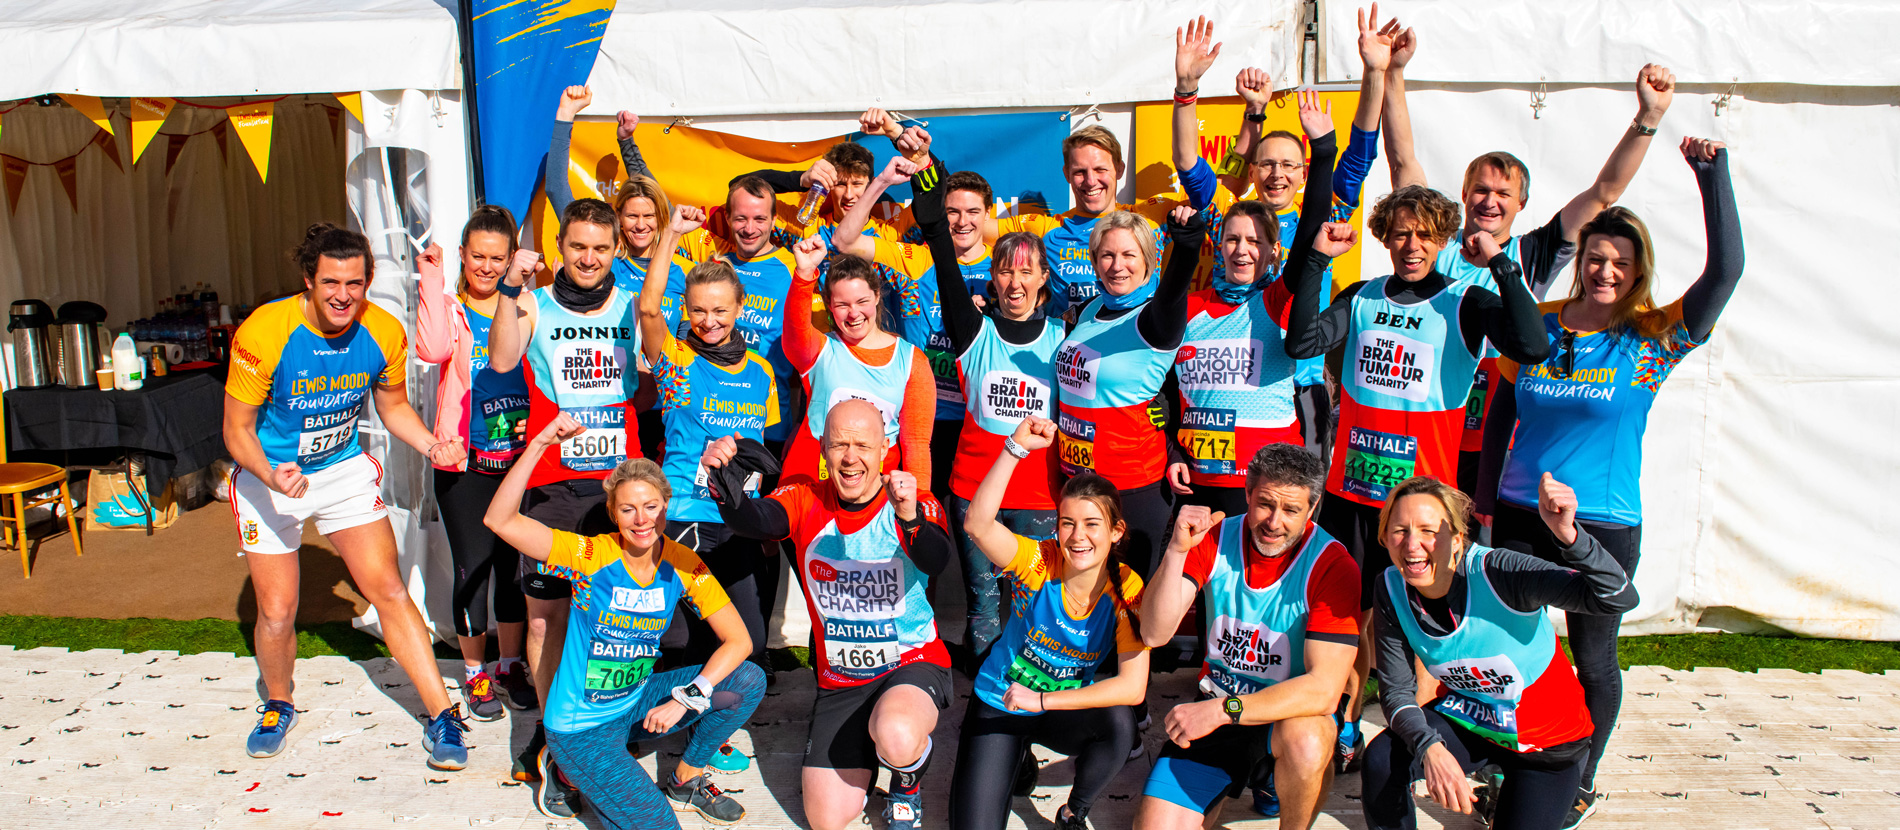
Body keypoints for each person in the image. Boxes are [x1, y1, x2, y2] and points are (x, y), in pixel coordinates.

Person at [1477, 138, 1740, 826]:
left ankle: (1580, 778)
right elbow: (1502, 416)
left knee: (1593, 655)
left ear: (1637, 271)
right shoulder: (1541, 325)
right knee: (1512, 648)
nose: (1604, 270)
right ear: (1580, 260)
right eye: (1595, 257)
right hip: (1517, 511)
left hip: (1604, 523)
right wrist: (1480, 507)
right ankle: (1517, 762)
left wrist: (1712, 178)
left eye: (1621, 262)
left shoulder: (1653, 335)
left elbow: (1726, 272)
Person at [1283, 186, 1550, 771]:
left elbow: (1533, 346)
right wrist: (1316, 261)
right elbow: (1299, 341)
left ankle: (1425, 737)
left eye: (1426, 234)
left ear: (1444, 239)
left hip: (1423, 512)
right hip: (1353, 495)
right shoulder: (1361, 298)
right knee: (1349, 617)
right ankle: (1346, 720)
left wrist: (1502, 263)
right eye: (1401, 232)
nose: (1412, 245)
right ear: (1384, 236)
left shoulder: (1466, 301)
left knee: (1429, 623)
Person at [224, 223, 470, 768]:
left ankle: (442, 717)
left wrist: (433, 446)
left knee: (388, 588)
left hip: (340, 472)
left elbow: (394, 408)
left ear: (368, 281)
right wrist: (269, 475)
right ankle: (279, 702)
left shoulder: (382, 331)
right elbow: (236, 431)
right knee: (277, 610)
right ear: (307, 281)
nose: (343, 295)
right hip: (271, 478)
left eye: (355, 283)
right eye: (331, 282)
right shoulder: (264, 332)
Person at [1384, 47, 1679, 492]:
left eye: (1504, 193)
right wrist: (1393, 73)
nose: (1490, 201)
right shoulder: (1433, 242)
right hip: (1427, 425)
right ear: (1464, 193)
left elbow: (1603, 192)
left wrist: (1649, 117)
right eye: (1481, 189)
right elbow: (1404, 163)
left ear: (1521, 203)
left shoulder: (1533, 253)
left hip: (1491, 434)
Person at [483, 414, 766, 828]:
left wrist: (688, 696)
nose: (641, 520)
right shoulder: (590, 554)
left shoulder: (683, 562)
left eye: (651, 507)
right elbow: (500, 520)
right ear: (613, 514)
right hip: (582, 729)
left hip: (635, 704)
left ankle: (685, 779)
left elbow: (738, 640)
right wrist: (541, 442)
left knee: (747, 679)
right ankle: (563, 769)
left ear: (665, 506)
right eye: (628, 509)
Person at [705, 399, 955, 830]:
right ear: (822, 449)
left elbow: (936, 559)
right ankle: (871, 744)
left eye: (863, 445)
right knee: (827, 819)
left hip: (912, 666)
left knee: (896, 734)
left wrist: (910, 516)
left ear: (885, 449)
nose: (851, 457)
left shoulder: (911, 501)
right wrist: (725, 489)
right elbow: (758, 520)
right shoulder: (804, 496)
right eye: (839, 444)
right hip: (842, 680)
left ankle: (906, 784)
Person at [487, 198, 647, 818]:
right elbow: (502, 359)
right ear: (562, 244)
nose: (588, 258)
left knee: (617, 619)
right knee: (546, 622)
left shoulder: (636, 304)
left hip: (621, 485)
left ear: (614, 250)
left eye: (600, 248)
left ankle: (601, 733)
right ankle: (561, 748)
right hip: (553, 486)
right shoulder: (534, 300)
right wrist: (508, 288)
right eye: (577, 246)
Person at [1360, 475, 1637, 830]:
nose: (1413, 544)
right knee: (1382, 759)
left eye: (1428, 530)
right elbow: (1397, 691)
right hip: (1470, 723)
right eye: (1400, 530)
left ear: (1457, 538)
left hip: (1547, 747)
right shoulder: (1391, 586)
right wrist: (1430, 748)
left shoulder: (1501, 571)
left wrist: (1570, 536)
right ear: (1385, 538)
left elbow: (1618, 598)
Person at [1134, 444, 1360, 830]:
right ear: (1247, 495)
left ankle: (1282, 793)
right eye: (1265, 504)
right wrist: (1175, 549)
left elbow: (1323, 690)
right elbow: (1154, 633)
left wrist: (1223, 710)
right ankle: (1246, 779)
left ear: (1313, 506)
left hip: (1281, 717)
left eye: (1291, 510)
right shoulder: (1214, 537)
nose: (1274, 522)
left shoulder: (1332, 564)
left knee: (1309, 737)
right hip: (1218, 708)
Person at [637, 204, 783, 774]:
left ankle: (702, 732)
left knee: (740, 639)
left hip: (737, 521)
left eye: (720, 310)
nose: (709, 321)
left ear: (739, 308)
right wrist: (672, 234)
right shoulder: (676, 361)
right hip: (684, 518)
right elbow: (649, 307)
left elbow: (762, 456)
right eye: (698, 311)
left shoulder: (761, 371)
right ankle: (658, 720)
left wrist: (761, 515)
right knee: (678, 637)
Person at [950, 416, 1149, 830]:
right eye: (1067, 523)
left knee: (1119, 724)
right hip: (1001, 703)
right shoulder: (1041, 560)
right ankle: (1016, 758)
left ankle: (1074, 811)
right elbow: (977, 525)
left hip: (1055, 709)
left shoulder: (1127, 585)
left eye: (1093, 524)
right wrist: (1013, 449)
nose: (1078, 536)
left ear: (1116, 532)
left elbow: (1133, 688)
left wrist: (1041, 702)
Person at [915, 158, 1065, 665]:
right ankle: (987, 698)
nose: (1016, 281)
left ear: (1044, 277)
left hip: (1041, 494)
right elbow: (939, 243)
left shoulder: (1066, 338)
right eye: (1005, 270)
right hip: (974, 488)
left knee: (1037, 604)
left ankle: (1035, 691)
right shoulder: (973, 331)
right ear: (992, 280)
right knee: (983, 606)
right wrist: (924, 172)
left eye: (1027, 270)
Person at [1166, 90, 1339, 517]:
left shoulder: (1279, 289)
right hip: (1198, 478)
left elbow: (1316, 219)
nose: (1243, 250)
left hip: (1283, 438)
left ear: (1274, 251)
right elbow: (1163, 391)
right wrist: (1250, 113)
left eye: (1256, 243)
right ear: (1218, 244)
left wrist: (1324, 148)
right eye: (1232, 240)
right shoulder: (1191, 303)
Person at [413, 207, 534, 720]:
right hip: (463, 461)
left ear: (511, 259)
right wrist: (431, 277)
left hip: (517, 458)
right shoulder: (447, 304)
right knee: (474, 567)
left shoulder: (528, 303)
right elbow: (431, 348)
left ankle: (509, 663)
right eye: (478, 256)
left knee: (513, 570)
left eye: (497, 258)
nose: (486, 267)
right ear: (463, 254)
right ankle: (475, 674)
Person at [831, 135, 991, 510]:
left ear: (988, 216)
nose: (962, 221)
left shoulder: (1005, 269)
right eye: (952, 211)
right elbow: (844, 238)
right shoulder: (916, 257)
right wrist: (881, 183)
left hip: (977, 425)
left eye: (972, 212)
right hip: (917, 423)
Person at [1053, 202, 1202, 579]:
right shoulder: (1089, 311)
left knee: (1134, 609)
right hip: (1079, 482)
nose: (1117, 265)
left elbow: (1174, 289)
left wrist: (1186, 246)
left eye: (1129, 255)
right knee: (1088, 600)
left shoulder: (1155, 319)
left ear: (1148, 262)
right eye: (1107, 254)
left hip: (1132, 488)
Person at [779, 235, 937, 488]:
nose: (854, 313)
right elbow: (794, 331)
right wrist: (805, 273)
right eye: (842, 304)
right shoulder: (819, 349)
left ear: (876, 296)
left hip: (875, 489)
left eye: (862, 301)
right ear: (830, 306)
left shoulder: (911, 360)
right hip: (811, 481)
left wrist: (920, 501)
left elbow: (916, 443)